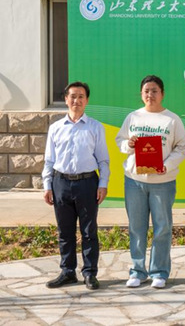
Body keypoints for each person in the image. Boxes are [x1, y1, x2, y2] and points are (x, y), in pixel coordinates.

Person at [116, 75, 185, 289]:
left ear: (162, 94)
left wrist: (166, 165)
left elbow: (182, 147)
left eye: (154, 90)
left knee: (162, 227)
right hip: (135, 181)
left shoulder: (172, 120)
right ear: (141, 94)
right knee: (136, 227)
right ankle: (137, 271)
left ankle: (159, 272)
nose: (150, 94)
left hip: (163, 182)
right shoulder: (133, 117)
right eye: (146, 91)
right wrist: (129, 145)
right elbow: (121, 141)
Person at [42, 81, 110, 290]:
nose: (76, 100)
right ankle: (68, 272)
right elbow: (49, 160)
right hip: (60, 183)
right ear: (66, 99)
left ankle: (90, 273)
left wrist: (103, 184)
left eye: (81, 96)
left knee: (89, 231)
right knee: (65, 231)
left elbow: (103, 160)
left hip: (87, 183)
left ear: (86, 100)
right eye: (72, 96)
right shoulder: (55, 128)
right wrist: (47, 185)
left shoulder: (95, 127)